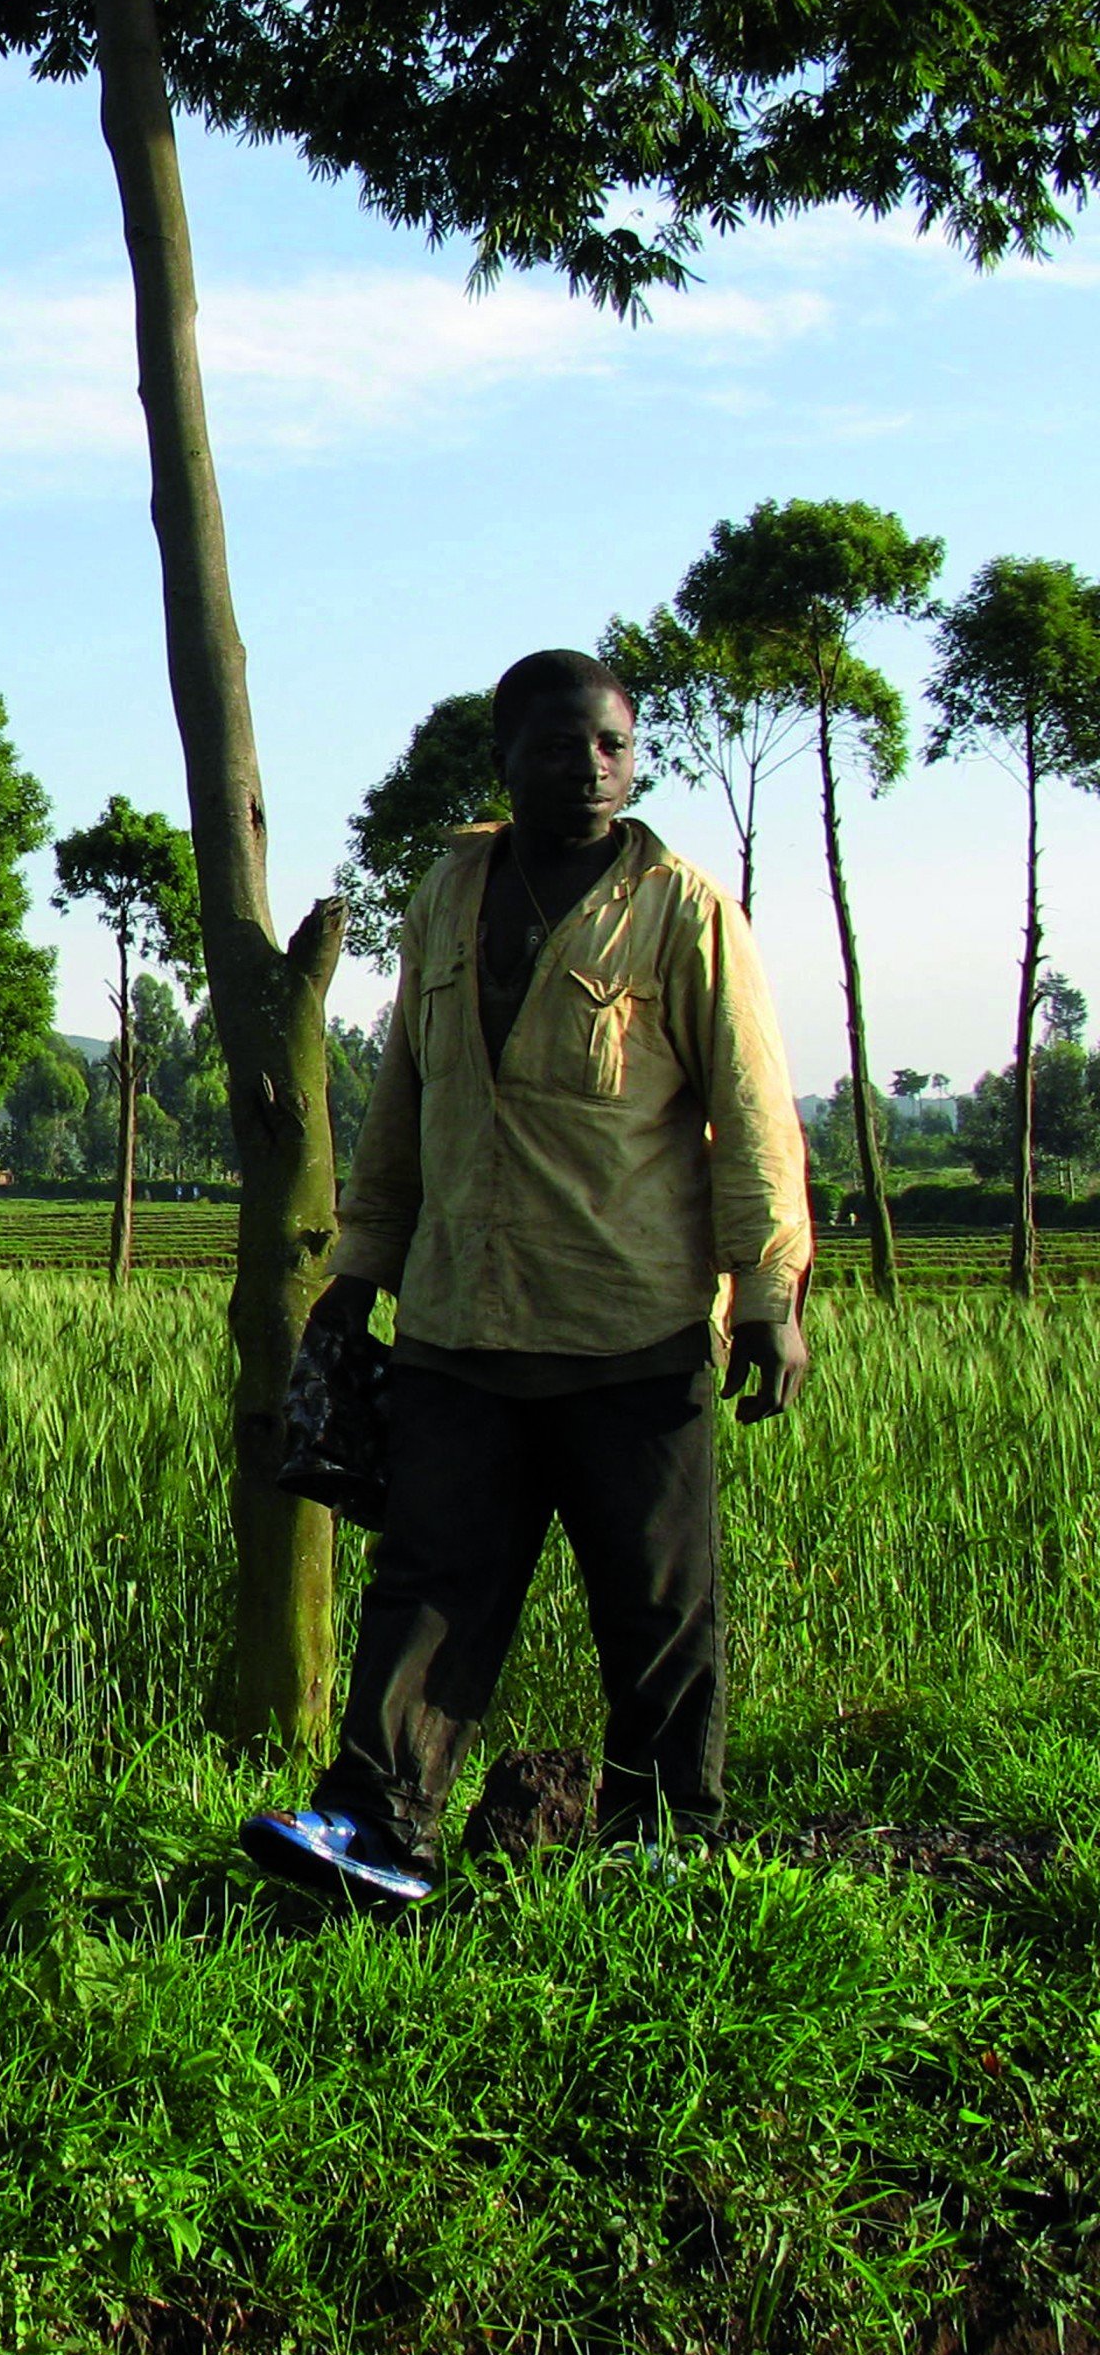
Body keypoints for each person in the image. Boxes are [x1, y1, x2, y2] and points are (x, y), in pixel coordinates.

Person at [242, 649, 813, 1908]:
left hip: (632, 1327)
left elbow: (753, 1117)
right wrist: (359, 1271)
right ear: (502, 757)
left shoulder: (681, 910)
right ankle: (376, 1830)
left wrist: (766, 1298)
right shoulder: (447, 898)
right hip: (459, 1317)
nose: (592, 768)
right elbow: (403, 1096)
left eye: (612, 746)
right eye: (562, 745)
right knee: (428, 1588)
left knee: (654, 1605)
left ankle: (663, 1834)